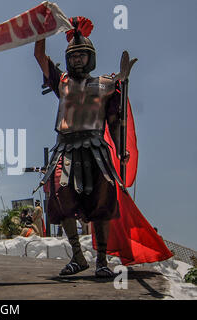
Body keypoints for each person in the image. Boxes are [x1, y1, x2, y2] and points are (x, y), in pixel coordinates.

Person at [34, 17, 129, 278]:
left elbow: (114, 122)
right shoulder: (60, 81)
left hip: (96, 149)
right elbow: (39, 55)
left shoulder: (106, 85)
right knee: (59, 194)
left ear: (90, 58)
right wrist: (41, 29)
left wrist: (121, 148)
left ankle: (101, 261)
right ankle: (77, 256)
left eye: (81, 56)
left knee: (102, 197)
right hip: (65, 149)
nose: (76, 60)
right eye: (72, 57)